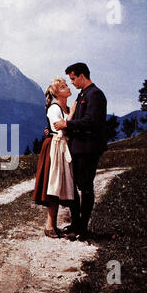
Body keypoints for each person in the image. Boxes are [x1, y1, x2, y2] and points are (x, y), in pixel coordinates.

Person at [53, 62, 107, 240]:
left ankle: (82, 228)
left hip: (88, 148)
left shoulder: (95, 95)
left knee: (86, 187)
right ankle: (76, 224)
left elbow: (91, 121)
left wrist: (67, 124)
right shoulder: (83, 94)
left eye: (73, 79)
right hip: (78, 148)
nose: (72, 83)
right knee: (75, 187)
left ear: (82, 76)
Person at [32, 77, 77, 238]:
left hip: (62, 146)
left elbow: (63, 126)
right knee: (54, 184)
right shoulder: (55, 108)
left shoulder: (62, 109)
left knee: (59, 185)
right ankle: (50, 225)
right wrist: (71, 115)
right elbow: (61, 130)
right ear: (57, 93)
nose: (68, 88)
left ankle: (53, 225)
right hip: (55, 147)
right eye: (64, 87)